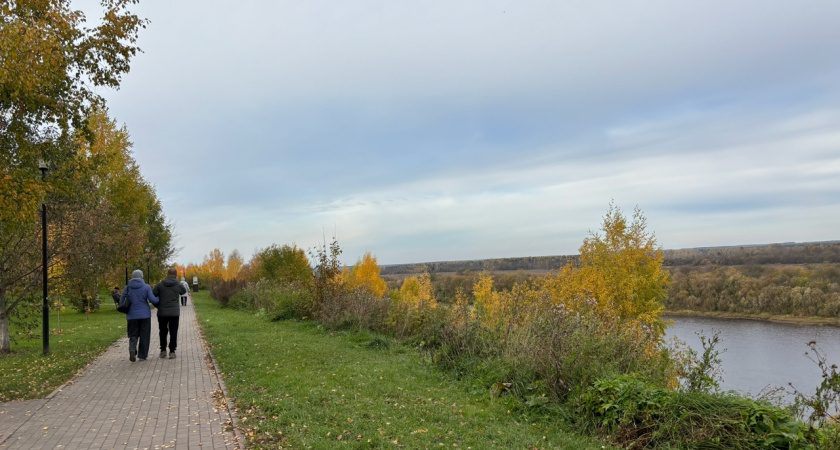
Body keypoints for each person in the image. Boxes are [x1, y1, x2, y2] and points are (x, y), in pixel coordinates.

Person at [122, 270, 159, 361]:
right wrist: (159, 298)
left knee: (133, 334)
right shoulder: (146, 287)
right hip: (144, 315)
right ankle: (142, 356)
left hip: (131, 315)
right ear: (141, 276)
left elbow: (121, 300)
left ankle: (132, 349)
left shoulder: (127, 288)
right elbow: (153, 300)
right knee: (144, 335)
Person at [153, 268, 187, 359]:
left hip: (162, 312)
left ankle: (163, 350)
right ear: (176, 276)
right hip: (174, 313)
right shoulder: (178, 284)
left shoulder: (160, 284)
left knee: (163, 331)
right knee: (173, 332)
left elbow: (153, 294)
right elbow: (183, 291)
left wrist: (157, 305)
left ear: (167, 274)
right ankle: (172, 351)